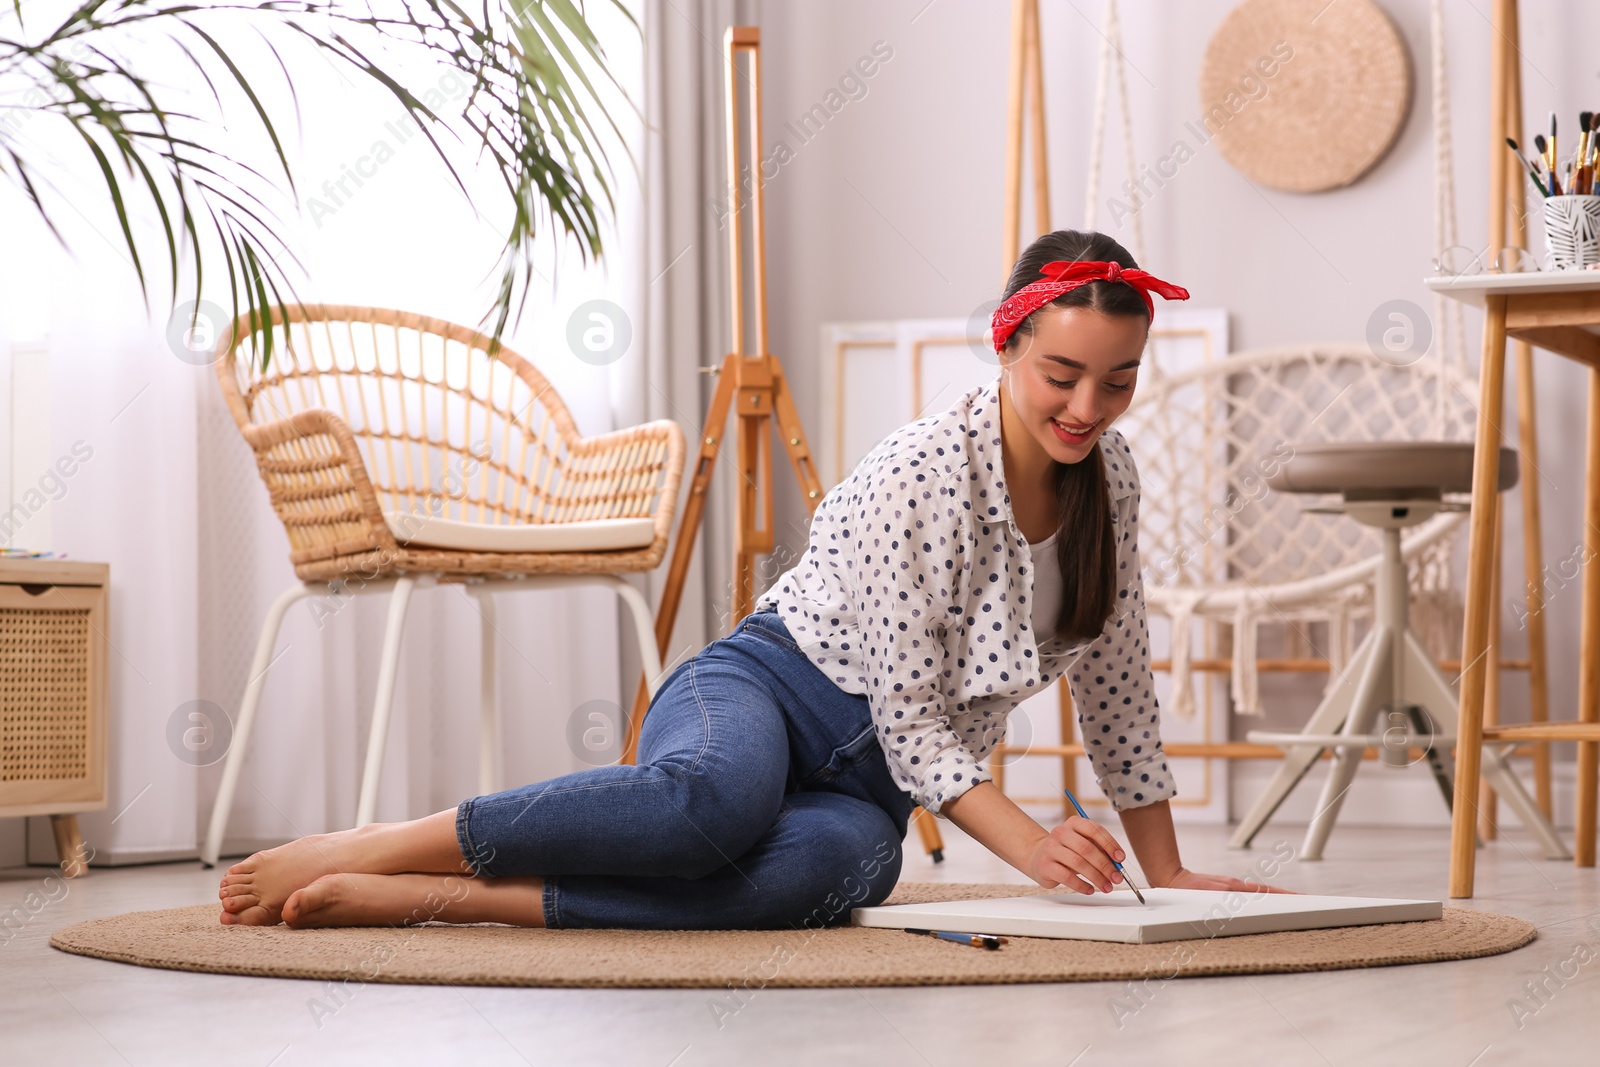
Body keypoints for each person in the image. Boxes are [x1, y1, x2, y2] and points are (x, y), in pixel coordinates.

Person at [217, 228, 1282, 931]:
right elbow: (914, 722)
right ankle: (384, 843)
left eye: (1117, 380)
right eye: (1061, 374)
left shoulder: (1111, 479)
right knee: (708, 805)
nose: (1087, 407)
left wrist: (1169, 869)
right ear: (1006, 350)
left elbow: (1118, 684)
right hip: (768, 688)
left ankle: (457, 900)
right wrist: (1033, 842)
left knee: (832, 878)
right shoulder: (922, 469)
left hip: (863, 786)